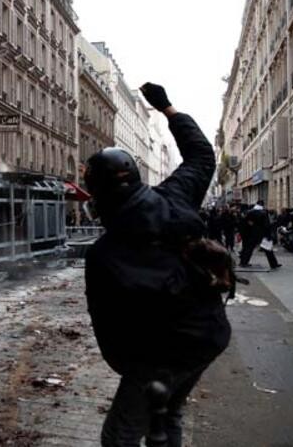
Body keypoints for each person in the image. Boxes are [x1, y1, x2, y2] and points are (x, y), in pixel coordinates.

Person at [84, 83, 231, 447]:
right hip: (209, 334)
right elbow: (201, 155)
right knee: (166, 417)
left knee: (120, 436)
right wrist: (167, 108)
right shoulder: (175, 197)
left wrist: (134, 371)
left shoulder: (105, 254)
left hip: (160, 355)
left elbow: (110, 333)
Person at [238, 200, 281, 269]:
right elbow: (266, 225)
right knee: (268, 249)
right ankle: (273, 264)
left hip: (252, 233)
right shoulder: (263, 213)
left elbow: (245, 222)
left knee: (249, 248)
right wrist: (268, 235)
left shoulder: (250, 212)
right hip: (262, 233)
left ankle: (243, 262)